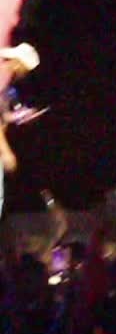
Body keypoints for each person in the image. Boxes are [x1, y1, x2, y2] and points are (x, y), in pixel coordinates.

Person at [0, 43, 39, 219]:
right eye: (26, 68)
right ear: (19, 62)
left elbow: (4, 115)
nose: (25, 73)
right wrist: (6, 151)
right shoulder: (3, 76)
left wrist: (20, 115)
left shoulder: (7, 82)